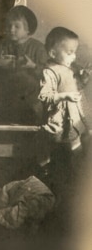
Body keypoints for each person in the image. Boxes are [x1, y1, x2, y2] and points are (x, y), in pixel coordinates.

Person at [0, 6, 47, 124]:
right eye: (8, 26)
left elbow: (49, 75)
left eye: (17, 26)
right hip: (4, 93)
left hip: (29, 96)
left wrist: (33, 66)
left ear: (28, 29)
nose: (11, 29)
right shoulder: (2, 46)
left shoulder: (38, 48)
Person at [38, 27, 91, 188]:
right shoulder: (49, 72)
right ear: (53, 54)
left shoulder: (70, 68)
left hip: (77, 117)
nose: (74, 57)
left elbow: (77, 86)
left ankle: (78, 183)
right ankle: (61, 185)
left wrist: (84, 78)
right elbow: (44, 96)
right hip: (62, 120)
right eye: (70, 53)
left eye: (74, 52)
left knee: (81, 150)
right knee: (63, 156)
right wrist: (64, 96)